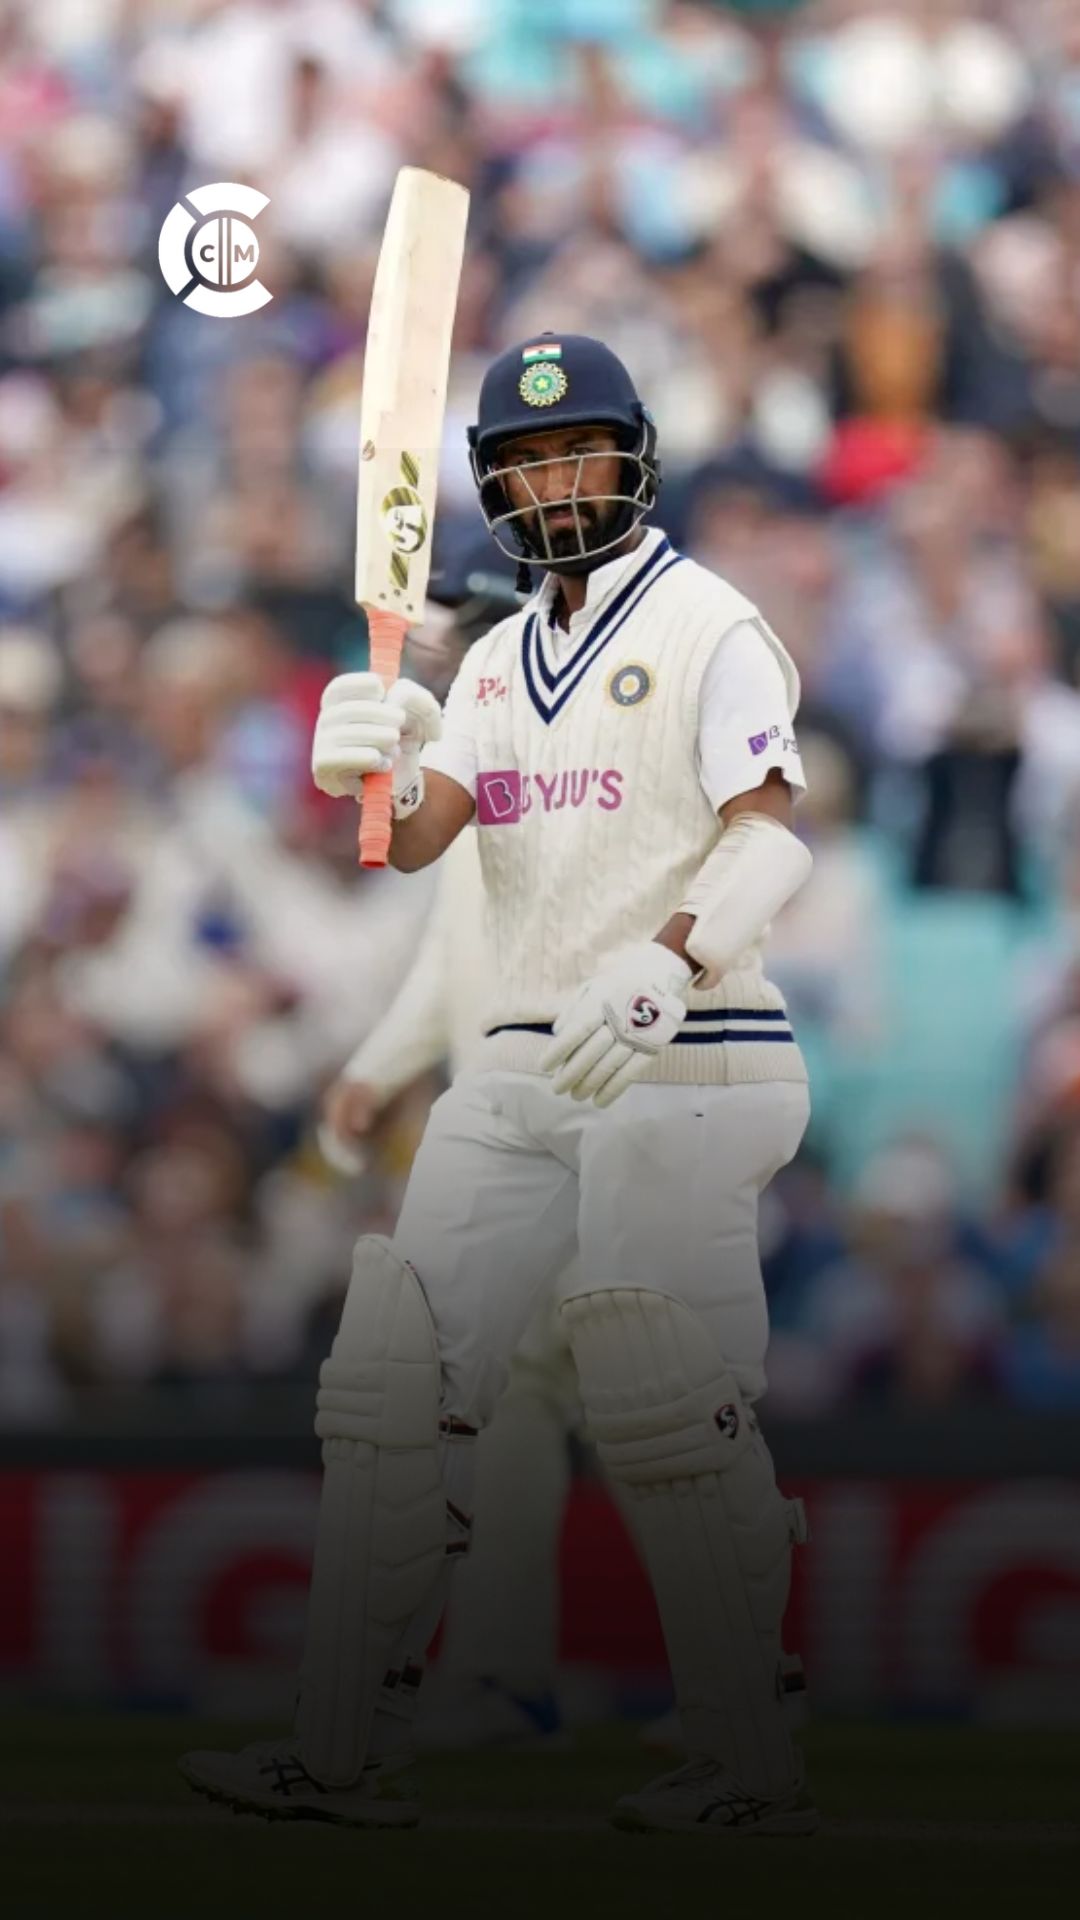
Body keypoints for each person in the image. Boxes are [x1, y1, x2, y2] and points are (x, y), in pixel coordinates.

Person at [181, 332, 815, 1835]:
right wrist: (367, 765)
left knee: (658, 1387)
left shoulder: (712, 623)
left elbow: (772, 828)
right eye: (527, 463)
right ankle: (342, 1751)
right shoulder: (488, 661)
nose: (557, 483)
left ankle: (746, 1758)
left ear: (633, 458)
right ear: (494, 487)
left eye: (579, 450)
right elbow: (415, 843)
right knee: (394, 1380)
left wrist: (669, 960)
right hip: (522, 1063)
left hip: (691, 1049)